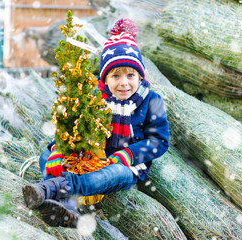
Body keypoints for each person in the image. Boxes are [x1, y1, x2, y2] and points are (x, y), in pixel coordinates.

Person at [22, 18, 169, 228]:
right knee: (47, 155)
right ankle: (65, 206)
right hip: (88, 158)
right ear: (104, 78)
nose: (124, 82)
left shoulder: (151, 100)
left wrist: (126, 156)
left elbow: (159, 141)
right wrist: (60, 149)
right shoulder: (94, 97)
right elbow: (71, 126)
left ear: (140, 75)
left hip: (123, 165)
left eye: (130, 74)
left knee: (113, 175)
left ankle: (52, 189)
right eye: (115, 75)